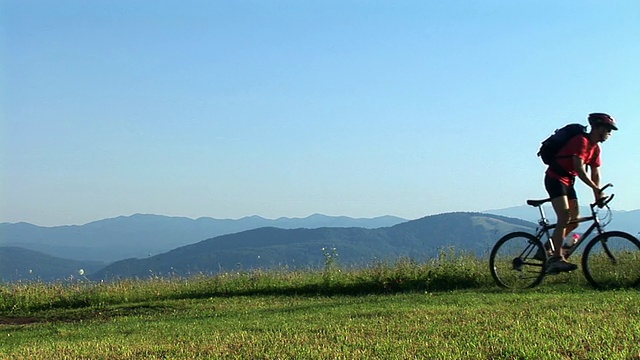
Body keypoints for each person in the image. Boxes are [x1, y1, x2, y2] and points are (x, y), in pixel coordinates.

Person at [544, 113, 618, 274]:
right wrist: (596, 189)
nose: (609, 133)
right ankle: (556, 259)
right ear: (597, 128)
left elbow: (595, 173)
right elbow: (580, 169)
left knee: (574, 221)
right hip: (555, 178)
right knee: (564, 217)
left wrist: (597, 194)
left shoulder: (596, 149)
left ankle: (546, 248)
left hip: (568, 182)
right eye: (607, 129)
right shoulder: (581, 141)